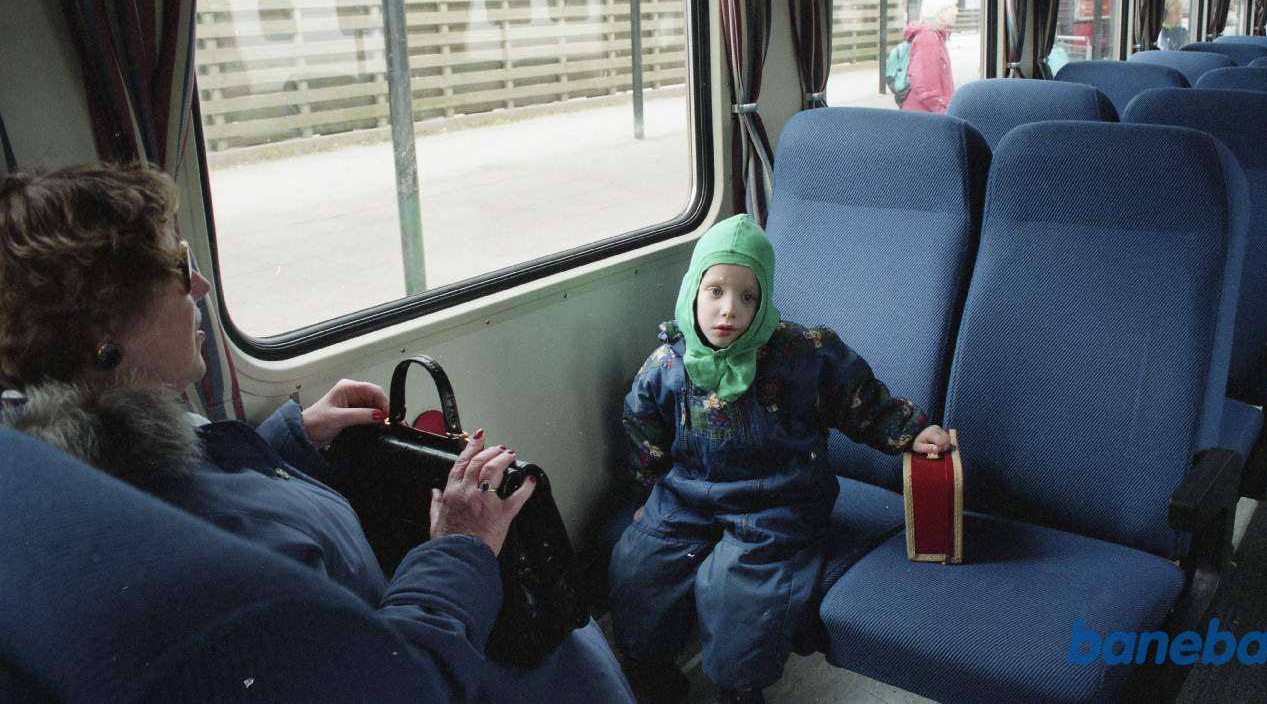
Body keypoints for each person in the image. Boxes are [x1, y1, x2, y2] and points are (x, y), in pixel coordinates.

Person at [0, 163, 634, 704]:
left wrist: (289, 441)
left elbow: (209, 480)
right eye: (177, 266)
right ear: (102, 335)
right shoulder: (197, 545)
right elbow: (394, 683)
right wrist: (460, 549)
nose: (197, 284)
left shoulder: (87, 449)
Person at [608, 214, 952, 704]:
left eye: (748, 297)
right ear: (692, 292)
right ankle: (649, 673)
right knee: (638, 565)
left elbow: (861, 400)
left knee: (740, 592)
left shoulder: (803, 355)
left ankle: (739, 688)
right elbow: (643, 429)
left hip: (776, 497)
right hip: (687, 493)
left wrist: (912, 432)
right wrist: (649, 492)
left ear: (765, 300)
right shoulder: (667, 364)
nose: (730, 310)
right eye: (716, 292)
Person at [899, 0, 959, 113]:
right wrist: (944, 112)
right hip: (925, 117)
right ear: (941, 12)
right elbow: (926, 88)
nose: (956, 12)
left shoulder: (934, 36)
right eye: (953, 7)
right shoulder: (929, 38)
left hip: (924, 113)